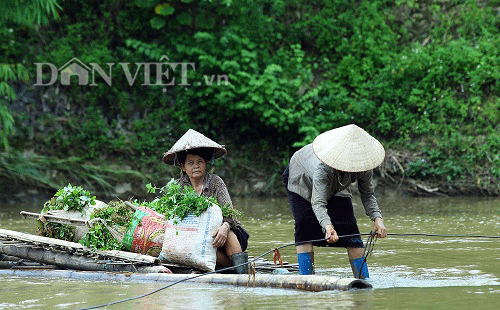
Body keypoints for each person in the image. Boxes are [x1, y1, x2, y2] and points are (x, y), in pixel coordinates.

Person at [282, 124, 388, 279]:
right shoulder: (323, 168)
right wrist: (328, 226)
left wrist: (378, 219)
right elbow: (318, 203)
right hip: (302, 178)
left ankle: (363, 281)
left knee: (350, 230)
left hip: (337, 185)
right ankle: (308, 280)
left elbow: (368, 194)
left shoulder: (364, 167)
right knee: (304, 225)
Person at [163, 129, 250, 274]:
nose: (196, 166)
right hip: (196, 239)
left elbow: (231, 214)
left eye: (200, 162)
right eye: (190, 163)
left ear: (205, 164)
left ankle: (242, 272)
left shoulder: (215, 182)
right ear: (183, 167)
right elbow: (169, 217)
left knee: (224, 234)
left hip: (223, 234)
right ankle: (232, 267)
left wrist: (225, 227)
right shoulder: (177, 187)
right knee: (199, 246)